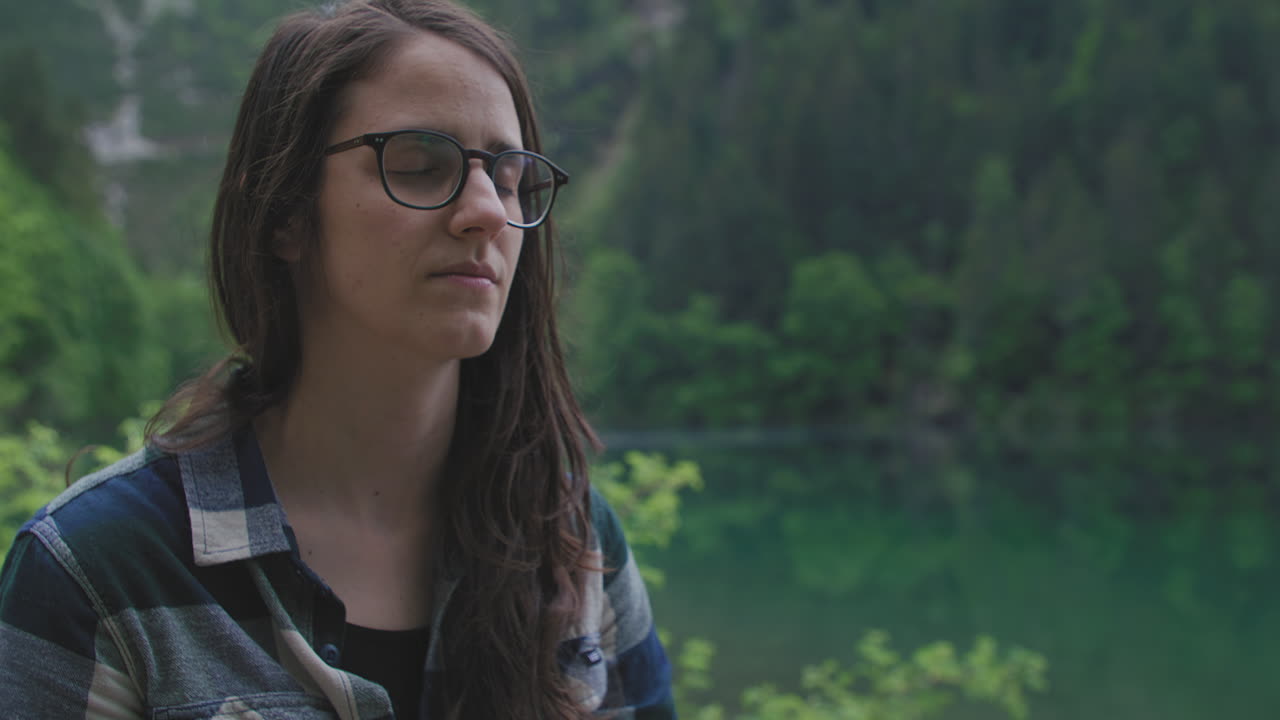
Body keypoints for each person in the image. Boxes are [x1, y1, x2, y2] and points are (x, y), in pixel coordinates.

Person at [0, 0, 675, 717]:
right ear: (286, 212)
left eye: (508, 177)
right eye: (419, 165)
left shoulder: (572, 542)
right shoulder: (101, 569)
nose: (486, 209)